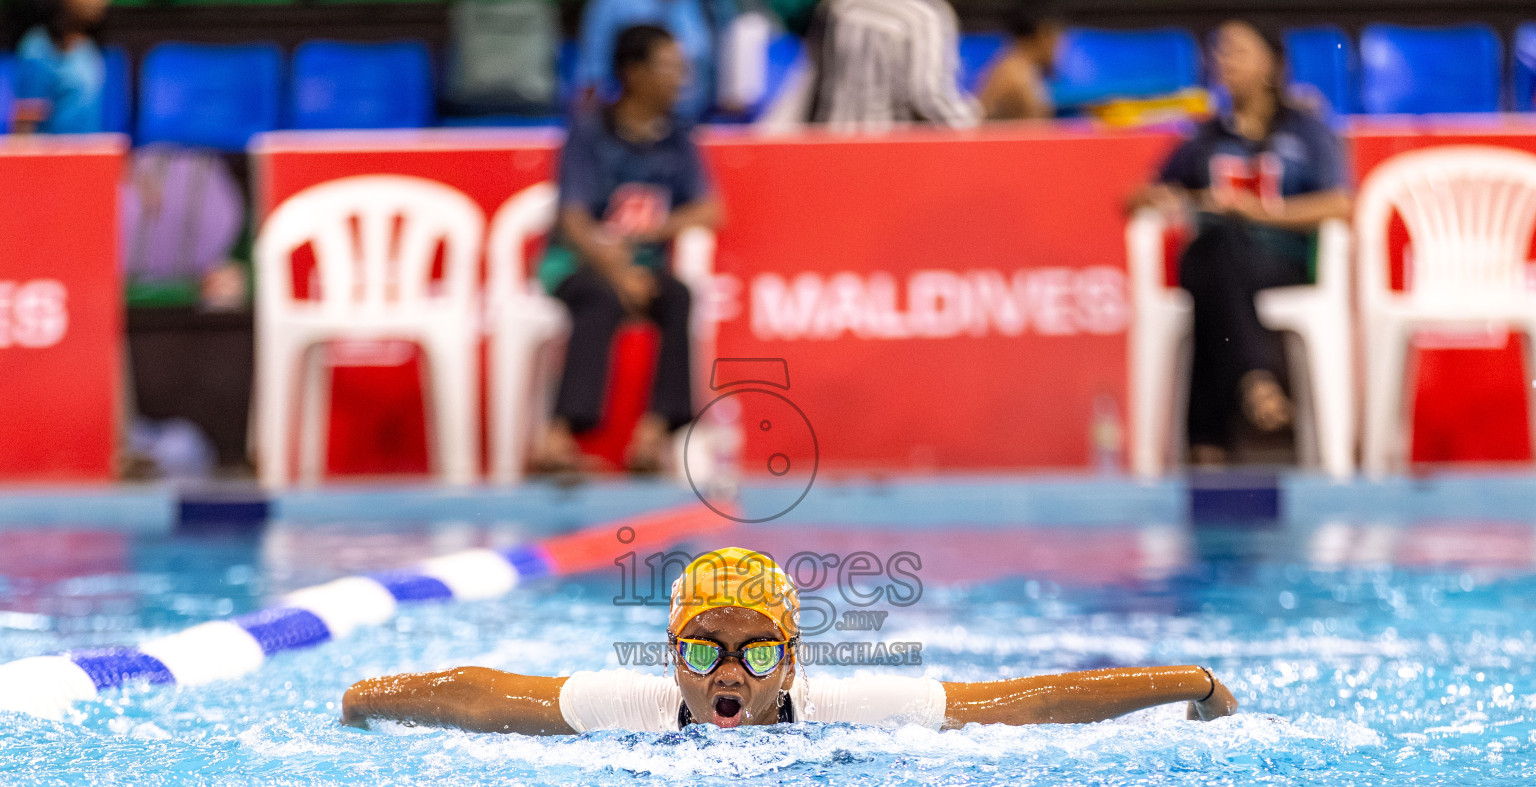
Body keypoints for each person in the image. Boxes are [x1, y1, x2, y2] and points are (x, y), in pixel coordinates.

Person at [342, 547, 1239, 734]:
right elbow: (482, 692)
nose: (727, 675)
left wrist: (1189, 680)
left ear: (794, 658)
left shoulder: (851, 704)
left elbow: (1027, 701)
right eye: (704, 650)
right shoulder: (640, 705)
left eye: (755, 651)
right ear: (670, 655)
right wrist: (365, 698)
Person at [1134, 20, 1351, 468]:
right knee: (1211, 253)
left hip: (1283, 258)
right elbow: (1137, 197)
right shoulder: (1207, 137)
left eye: (1237, 51)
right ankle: (1255, 380)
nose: (1224, 61)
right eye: (1220, 51)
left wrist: (1263, 212)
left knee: (1210, 265)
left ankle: (1208, 445)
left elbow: (1340, 203)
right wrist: (1170, 197)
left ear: (1271, 64)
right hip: (1220, 260)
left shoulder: (1306, 128)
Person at [533, 24, 722, 475]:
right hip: (576, 266)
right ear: (634, 72)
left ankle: (653, 436)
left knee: (678, 295)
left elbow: (712, 210)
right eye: (669, 67)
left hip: (643, 267)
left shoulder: (676, 137)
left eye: (682, 67)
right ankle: (558, 439)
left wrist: (658, 229)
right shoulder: (589, 131)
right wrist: (618, 273)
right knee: (601, 298)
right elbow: (573, 220)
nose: (680, 78)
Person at [805, 0, 979, 130]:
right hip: (893, 150)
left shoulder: (841, 8)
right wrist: (974, 127)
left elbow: (818, 82)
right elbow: (931, 99)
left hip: (835, 140)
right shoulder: (927, 16)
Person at [576, 0, 720, 123]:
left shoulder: (688, 5)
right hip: (627, 126)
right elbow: (593, 78)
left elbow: (703, 58)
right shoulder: (611, 5)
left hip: (689, 119)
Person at [9, 0, 108, 135]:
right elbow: (24, 127)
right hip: (50, 154)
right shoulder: (37, 48)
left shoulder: (87, 46)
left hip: (88, 153)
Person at [977, 4, 1063, 121]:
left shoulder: (1021, 69)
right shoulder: (1015, 75)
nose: (1060, 46)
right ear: (1043, 33)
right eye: (1057, 37)